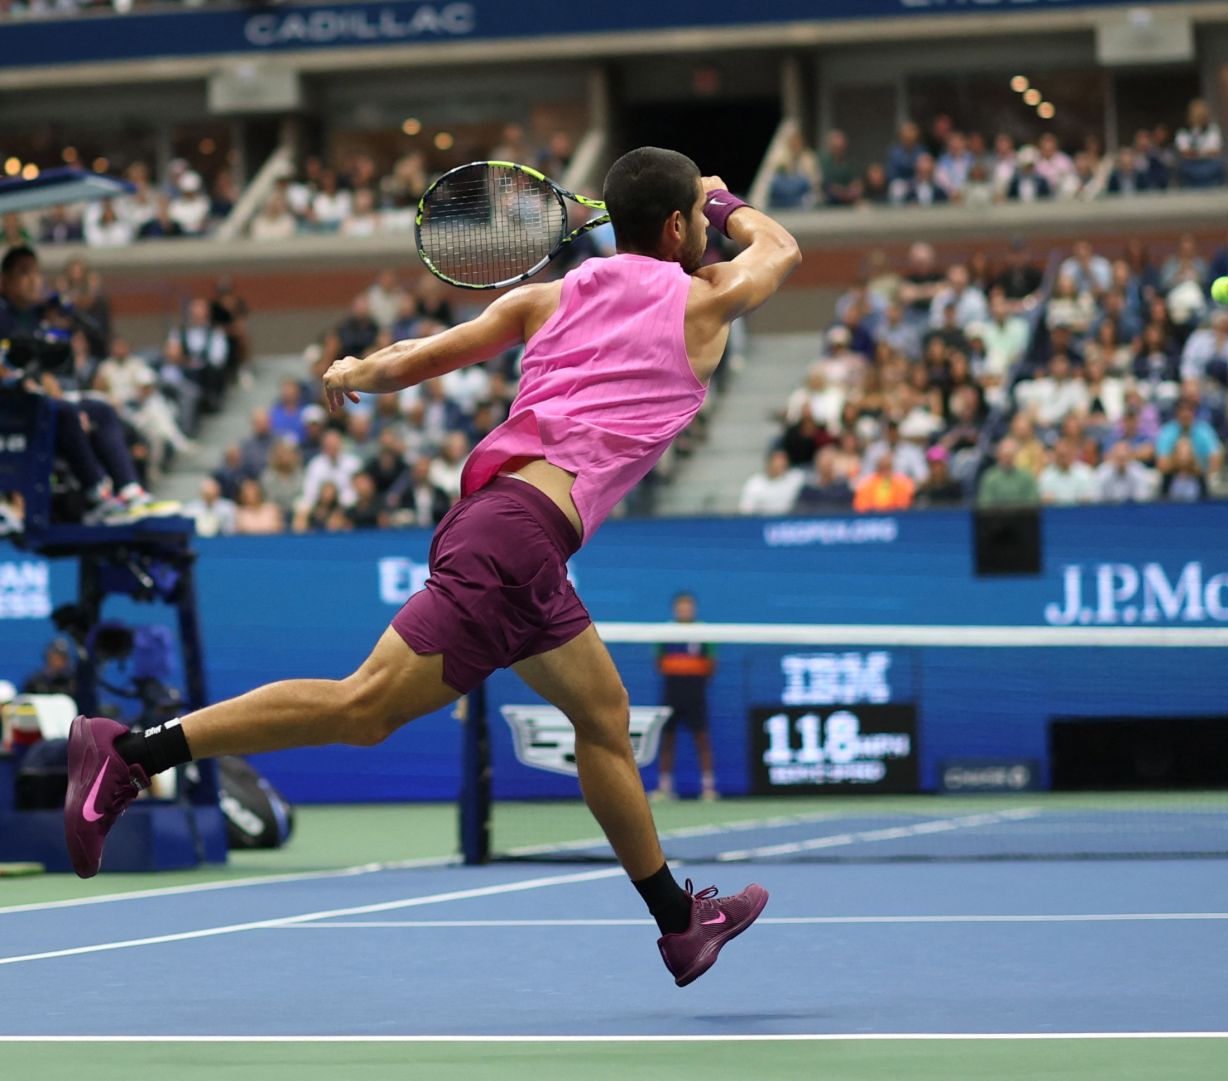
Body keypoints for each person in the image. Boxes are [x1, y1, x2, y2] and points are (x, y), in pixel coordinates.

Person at [65, 147, 799, 987]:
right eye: (692, 224)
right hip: (516, 541)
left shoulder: (548, 297)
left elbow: (421, 354)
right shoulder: (704, 300)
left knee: (602, 715)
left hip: (506, 531)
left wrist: (358, 369)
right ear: (675, 227)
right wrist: (725, 201)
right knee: (362, 708)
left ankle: (680, 923)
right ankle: (128, 752)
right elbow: (781, 251)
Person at [654, 592, 717, 803]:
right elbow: (659, 661)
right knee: (668, 740)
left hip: (695, 692)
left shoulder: (703, 631)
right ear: (675, 609)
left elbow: (711, 663)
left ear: (693, 609)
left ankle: (708, 787)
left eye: (688, 606)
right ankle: (665, 787)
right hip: (672, 691)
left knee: (702, 739)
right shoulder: (666, 632)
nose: (684, 610)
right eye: (680, 607)